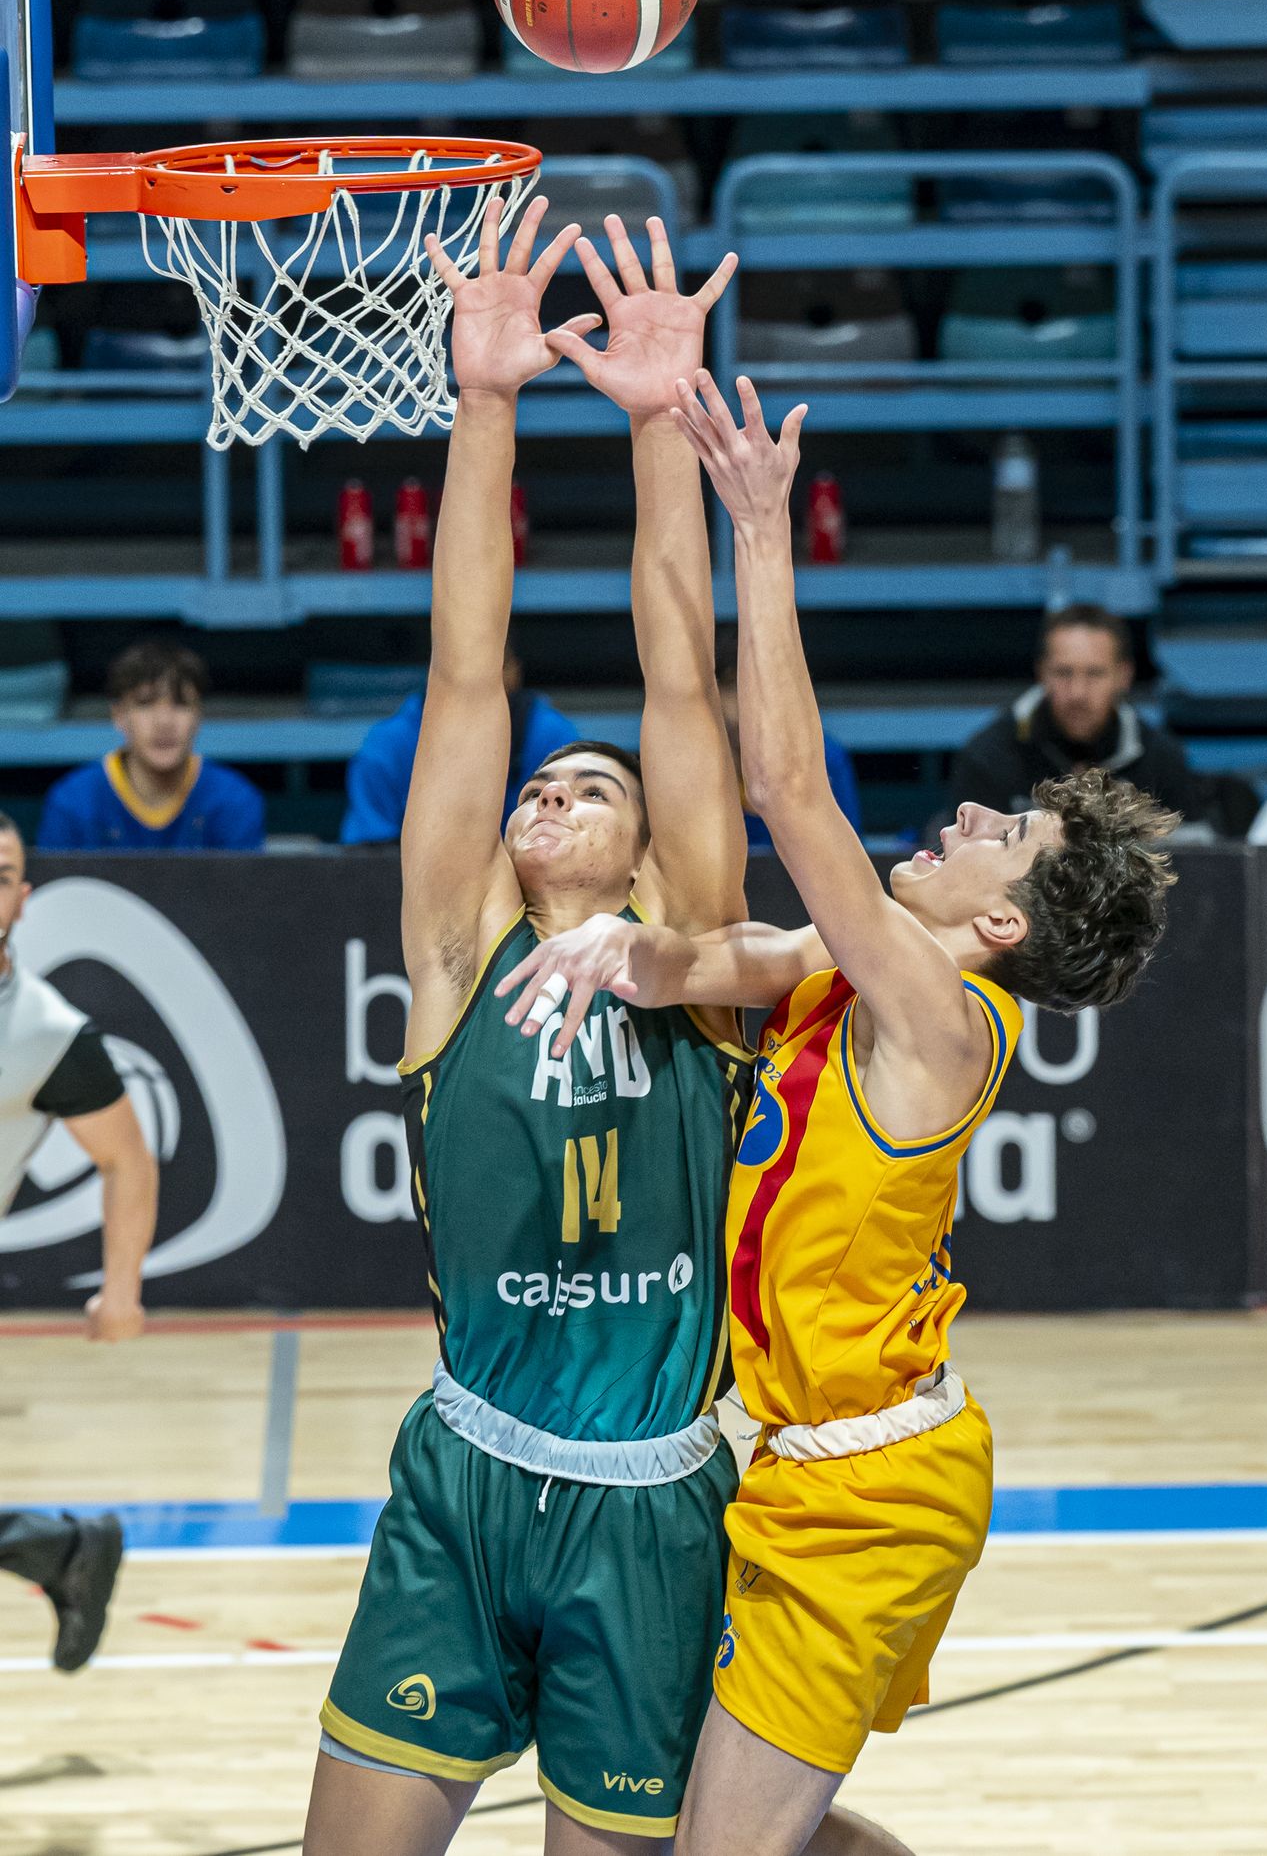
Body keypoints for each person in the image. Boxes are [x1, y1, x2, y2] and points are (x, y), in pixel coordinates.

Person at [497, 372, 1178, 1856]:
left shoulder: (943, 1017)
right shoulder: (863, 965)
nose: (969, 814)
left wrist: (761, 526)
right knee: (742, 1825)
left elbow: (786, 784)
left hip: (873, 1491)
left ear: (1002, 924)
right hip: (802, 1461)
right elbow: (736, 954)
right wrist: (634, 952)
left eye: (1004, 834)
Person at [304, 204, 758, 1855]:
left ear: (646, 853)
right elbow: (465, 672)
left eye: (592, 788)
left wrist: (657, 426)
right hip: (466, 1480)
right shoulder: (458, 954)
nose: (551, 794)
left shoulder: (698, 959)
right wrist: (483, 402)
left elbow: (682, 679)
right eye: (540, 787)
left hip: (652, 1504)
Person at [0, 811, 157, 1669]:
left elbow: (127, 1158)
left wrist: (121, 1289)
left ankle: (60, 1549)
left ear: (22, 899)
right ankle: (60, 1549)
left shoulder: (48, 1032)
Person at [931, 604, 1197, 835]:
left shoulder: (1162, 761)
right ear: (1042, 673)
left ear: (1124, 676)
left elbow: (1193, 861)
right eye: (1063, 672)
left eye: (1094, 673)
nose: (1077, 693)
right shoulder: (988, 757)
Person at [36, 639, 265, 850]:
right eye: (145, 704)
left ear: (199, 715)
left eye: (181, 704)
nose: (164, 722)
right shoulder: (72, 803)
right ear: (119, 716)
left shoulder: (235, 800)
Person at [341, 644, 579, 845]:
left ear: (514, 671)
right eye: (460, 666)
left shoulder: (554, 740)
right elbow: (370, 855)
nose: (475, 680)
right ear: (434, 671)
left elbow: (572, 843)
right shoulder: (386, 748)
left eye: (492, 665)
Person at [715, 626, 861, 848]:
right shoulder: (696, 762)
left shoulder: (823, 756)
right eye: (733, 686)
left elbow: (847, 847)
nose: (746, 699)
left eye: (757, 685)